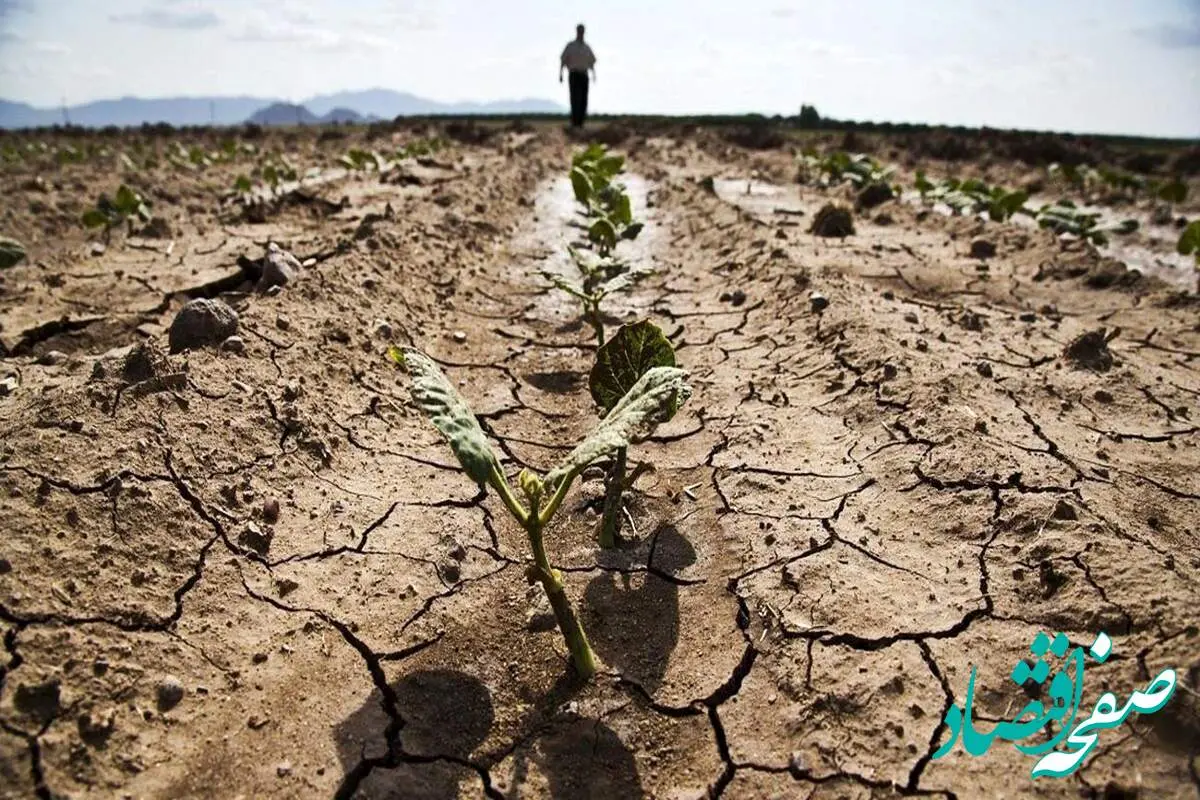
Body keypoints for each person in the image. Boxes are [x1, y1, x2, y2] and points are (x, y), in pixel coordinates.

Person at [559, 24, 596, 128]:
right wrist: (561, 74)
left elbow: (592, 62)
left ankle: (581, 123)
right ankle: (574, 122)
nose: (581, 33)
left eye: (582, 31)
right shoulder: (571, 46)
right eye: (579, 31)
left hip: (584, 74)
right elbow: (563, 60)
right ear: (577, 31)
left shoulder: (586, 47)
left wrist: (593, 75)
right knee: (575, 98)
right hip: (574, 74)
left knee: (584, 99)